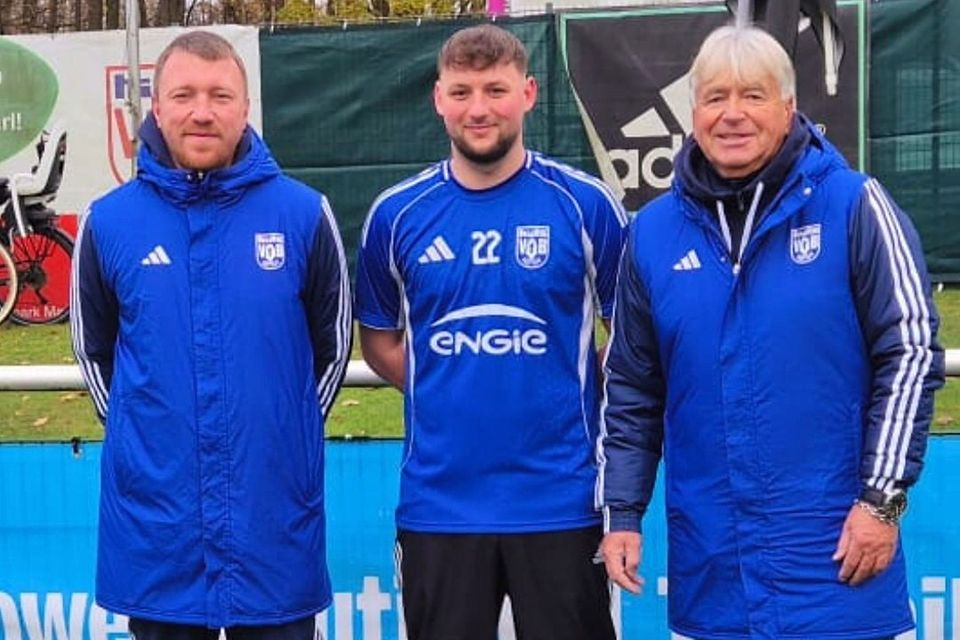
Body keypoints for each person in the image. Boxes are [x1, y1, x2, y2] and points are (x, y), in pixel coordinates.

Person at [598, 24, 945, 640]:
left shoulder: (855, 205)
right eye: (715, 97)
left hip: (839, 568)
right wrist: (623, 512)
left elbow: (912, 353)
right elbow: (631, 386)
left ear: (788, 108)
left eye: (754, 96)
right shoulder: (650, 235)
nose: (733, 114)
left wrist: (880, 500)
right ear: (693, 112)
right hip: (714, 580)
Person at [70, 31, 352, 640]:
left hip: (270, 514)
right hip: (160, 523)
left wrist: (286, 431)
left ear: (244, 108)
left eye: (220, 95)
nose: (202, 111)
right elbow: (94, 349)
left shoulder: (303, 214)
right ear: (158, 106)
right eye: (185, 95)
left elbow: (331, 347)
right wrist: (147, 438)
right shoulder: (109, 221)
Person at [355, 24, 627, 640]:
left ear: (528, 93)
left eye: (496, 89)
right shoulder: (396, 215)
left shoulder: (585, 206)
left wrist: (562, 375)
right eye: (463, 91)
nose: (479, 108)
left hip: (563, 502)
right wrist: (449, 384)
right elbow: (380, 342)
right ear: (438, 98)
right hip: (440, 507)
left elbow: (630, 341)